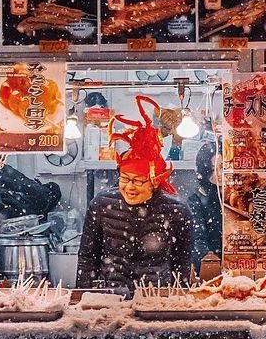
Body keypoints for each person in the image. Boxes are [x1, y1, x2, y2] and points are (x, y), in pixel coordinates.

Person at [76, 94, 193, 291]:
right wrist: (85, 298)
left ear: (155, 182)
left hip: (156, 302)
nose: (130, 187)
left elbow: (181, 264)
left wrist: (177, 302)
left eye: (138, 181)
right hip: (110, 298)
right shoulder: (102, 205)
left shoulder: (177, 212)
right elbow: (88, 258)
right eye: (125, 178)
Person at [186, 139, 223, 267]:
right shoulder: (196, 201)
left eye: (223, 167)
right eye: (212, 168)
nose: (219, 174)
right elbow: (197, 239)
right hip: (210, 270)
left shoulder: (239, 197)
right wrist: (212, 264)